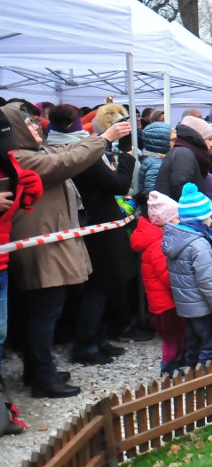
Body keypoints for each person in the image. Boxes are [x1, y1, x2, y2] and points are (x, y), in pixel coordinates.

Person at [2, 101, 130, 398]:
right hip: (40, 246)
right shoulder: (21, 158)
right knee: (44, 314)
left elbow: (65, 153)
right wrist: (104, 138)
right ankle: (43, 379)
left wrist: (96, 138)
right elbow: (65, 163)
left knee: (46, 311)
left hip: (47, 243)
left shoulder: (32, 153)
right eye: (30, 124)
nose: (36, 127)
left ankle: (37, 370)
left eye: (37, 123)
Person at [46, 105, 138, 366]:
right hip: (98, 223)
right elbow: (117, 185)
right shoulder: (80, 152)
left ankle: (97, 338)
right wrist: (127, 158)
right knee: (99, 287)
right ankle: (86, 344)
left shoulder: (58, 148)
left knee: (101, 286)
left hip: (90, 222)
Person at [0, 108, 43, 425]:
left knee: (0, 334)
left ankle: (2, 408)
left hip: (2, 260)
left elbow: (18, 191)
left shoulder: (9, 157)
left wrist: (27, 188)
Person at [162, 182, 212, 368]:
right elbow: (207, 280)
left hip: (186, 306)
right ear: (201, 219)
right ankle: (206, 383)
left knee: (193, 345)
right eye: (208, 216)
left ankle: (192, 378)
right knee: (210, 347)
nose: (211, 220)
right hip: (203, 307)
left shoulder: (176, 238)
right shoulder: (199, 244)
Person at [131, 191, 186, 375]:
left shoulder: (159, 240)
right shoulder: (159, 246)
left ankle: (176, 361)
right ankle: (168, 366)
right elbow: (167, 276)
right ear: (166, 222)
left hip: (164, 302)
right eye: (177, 218)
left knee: (177, 334)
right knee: (171, 337)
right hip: (166, 305)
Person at [154, 116, 212, 201]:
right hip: (180, 211)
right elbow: (180, 186)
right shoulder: (184, 153)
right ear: (199, 137)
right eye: (209, 139)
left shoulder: (185, 151)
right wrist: (195, 206)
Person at [137, 121, 173, 194]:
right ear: (161, 142)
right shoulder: (157, 165)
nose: (176, 142)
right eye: (172, 140)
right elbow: (152, 194)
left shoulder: (156, 159)